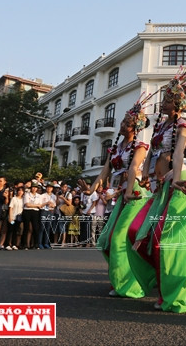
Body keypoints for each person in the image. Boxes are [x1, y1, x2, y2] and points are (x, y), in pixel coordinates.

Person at [133, 77, 186, 313]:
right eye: (165, 98)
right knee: (141, 236)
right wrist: (145, 176)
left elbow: (179, 153)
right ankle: (163, 290)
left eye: (170, 99)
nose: (164, 102)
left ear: (180, 103)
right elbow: (152, 153)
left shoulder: (183, 125)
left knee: (171, 244)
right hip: (161, 187)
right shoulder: (160, 127)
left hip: (178, 183)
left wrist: (177, 176)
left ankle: (175, 297)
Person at [81, 96, 151, 298]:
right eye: (123, 122)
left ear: (135, 128)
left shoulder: (139, 147)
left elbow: (133, 168)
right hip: (122, 196)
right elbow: (104, 172)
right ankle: (121, 279)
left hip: (135, 195)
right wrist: (91, 190)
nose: (122, 125)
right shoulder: (115, 149)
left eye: (127, 123)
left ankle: (129, 284)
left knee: (119, 238)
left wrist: (127, 191)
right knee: (106, 240)